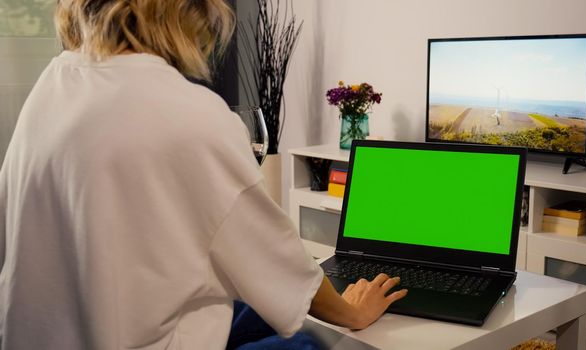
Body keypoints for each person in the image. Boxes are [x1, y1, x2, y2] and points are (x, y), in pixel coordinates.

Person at [0, 0, 407, 349]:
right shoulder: (190, 113)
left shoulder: (54, 83)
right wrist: (352, 312)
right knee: (309, 340)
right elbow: (277, 257)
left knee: (255, 307)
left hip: (56, 331)